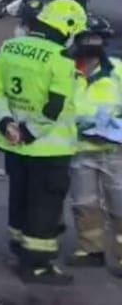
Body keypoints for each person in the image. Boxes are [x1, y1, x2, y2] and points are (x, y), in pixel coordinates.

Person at [0, 0, 85, 285]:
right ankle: (37, 266)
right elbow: (54, 107)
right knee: (45, 204)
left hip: (12, 143)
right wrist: (29, 132)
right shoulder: (61, 58)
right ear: (67, 28)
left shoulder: (10, 47)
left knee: (20, 197)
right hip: (47, 147)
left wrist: (6, 124)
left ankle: (19, 250)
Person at [63, 15, 122, 277]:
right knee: (84, 203)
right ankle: (90, 250)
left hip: (114, 152)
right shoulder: (66, 71)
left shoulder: (118, 71)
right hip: (79, 149)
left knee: (120, 205)